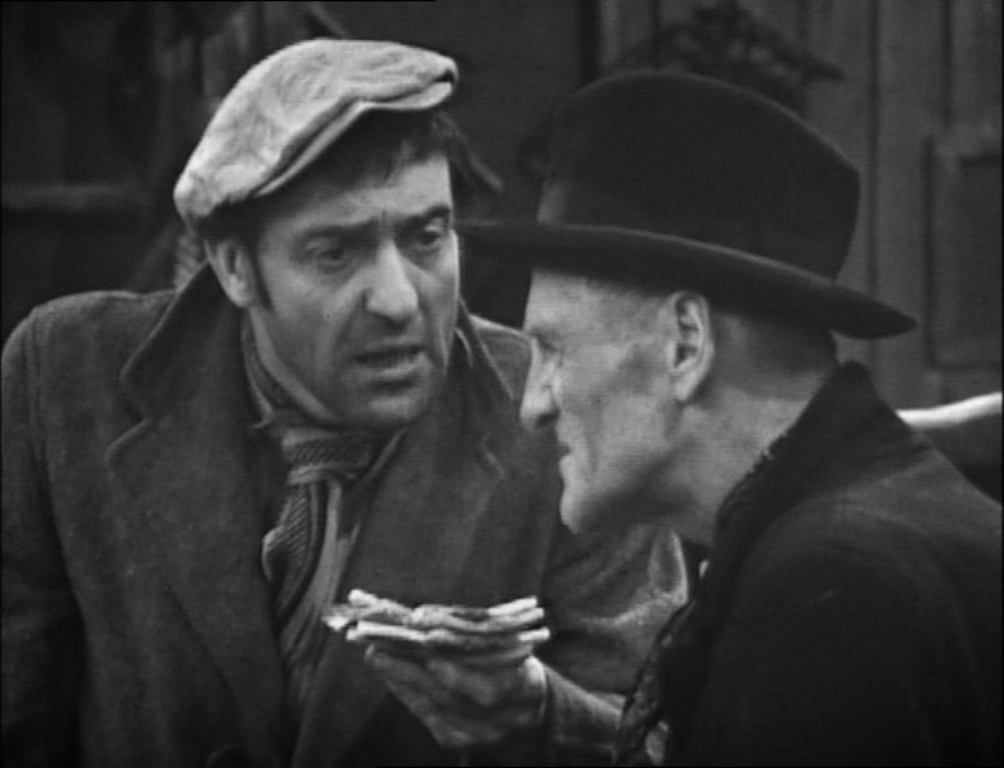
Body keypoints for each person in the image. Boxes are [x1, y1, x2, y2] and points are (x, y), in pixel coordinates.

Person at [1, 41, 687, 768]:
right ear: (234, 266)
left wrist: (540, 715)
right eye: (335, 253)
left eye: (426, 237)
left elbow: (671, 737)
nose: (398, 300)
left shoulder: (559, 413)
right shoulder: (66, 379)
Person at [463, 71, 1003, 766]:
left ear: (686, 344)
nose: (533, 404)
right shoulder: (855, 531)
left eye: (554, 349)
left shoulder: (831, 591)